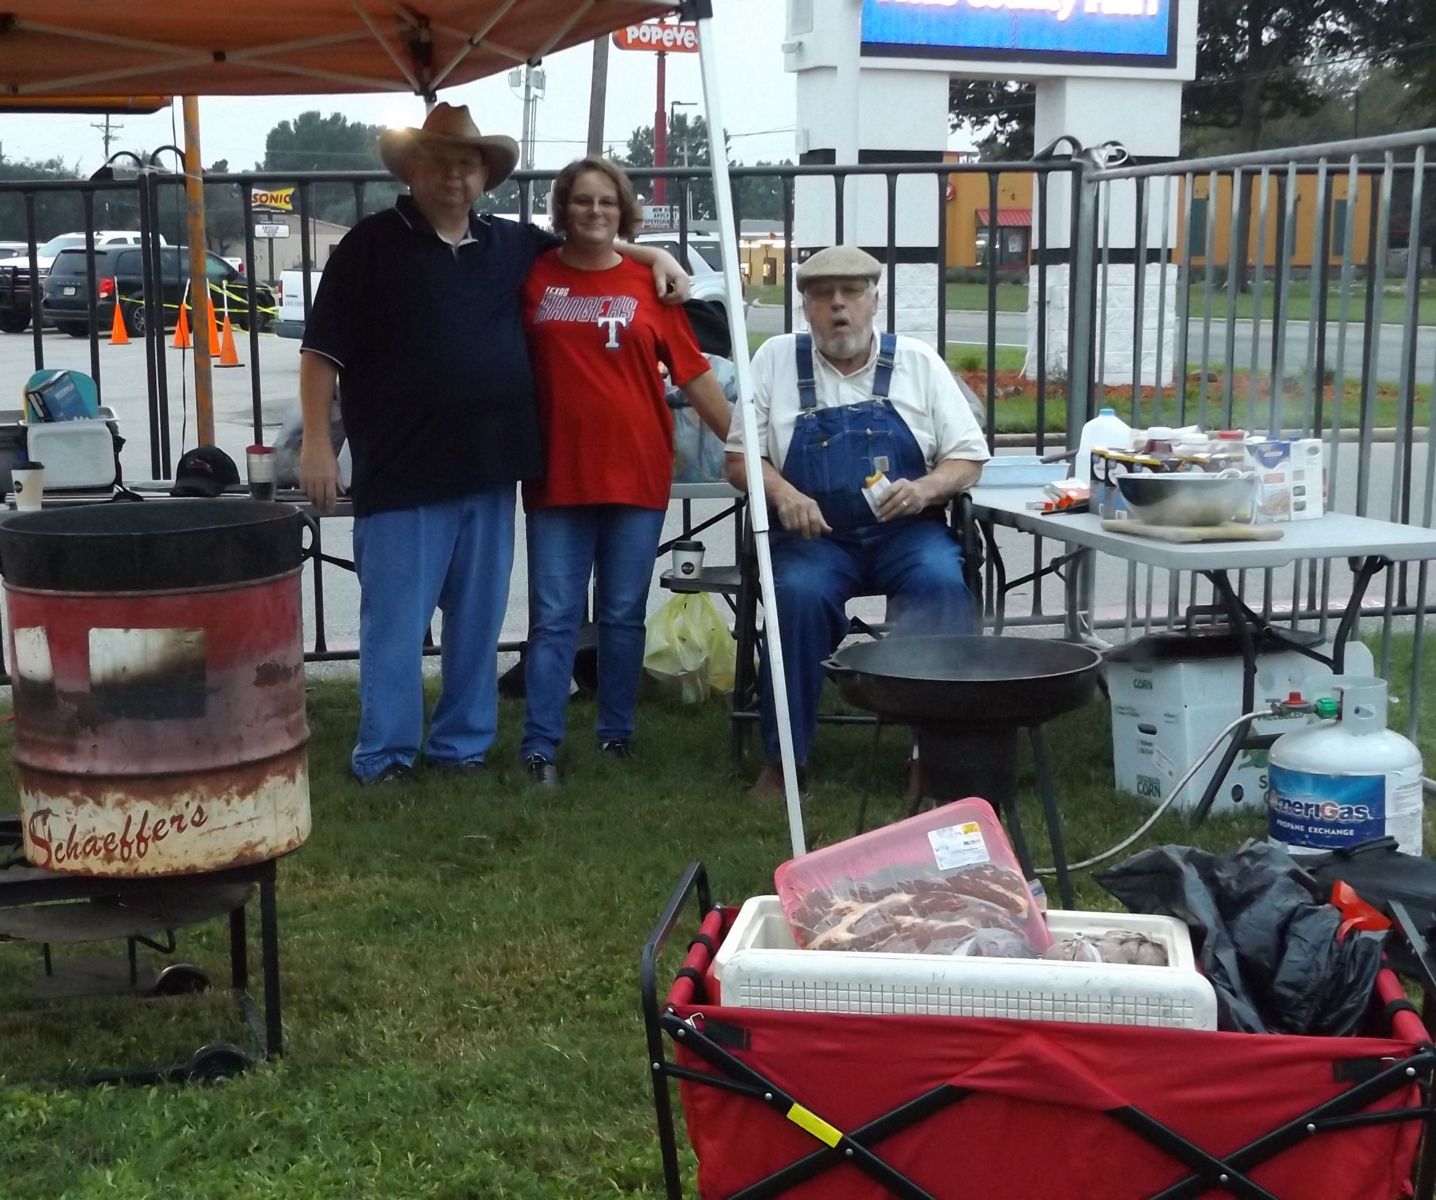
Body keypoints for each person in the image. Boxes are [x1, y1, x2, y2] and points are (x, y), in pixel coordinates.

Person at [298, 104, 689, 786]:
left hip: (490, 467)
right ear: (414, 169)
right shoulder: (369, 245)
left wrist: (653, 252)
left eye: (467, 163)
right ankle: (385, 757)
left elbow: (591, 243)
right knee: (395, 625)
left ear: (484, 177)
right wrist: (316, 446)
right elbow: (319, 353)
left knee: (476, 626)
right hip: (401, 470)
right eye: (440, 161)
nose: (454, 175)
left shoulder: (511, 246)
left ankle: (463, 748)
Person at [724, 245, 990, 799]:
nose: (838, 307)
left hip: (905, 533)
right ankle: (785, 762)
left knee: (942, 583)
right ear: (805, 307)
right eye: (823, 296)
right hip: (814, 537)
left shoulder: (917, 362)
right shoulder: (774, 359)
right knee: (796, 594)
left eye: (852, 294)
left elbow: (967, 457)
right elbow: (739, 459)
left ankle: (932, 753)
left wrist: (925, 489)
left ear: (875, 301)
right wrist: (785, 493)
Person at [519, 158, 731, 787]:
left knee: (622, 612)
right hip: (556, 472)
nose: (594, 212)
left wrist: (745, 446)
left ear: (624, 210)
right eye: (582, 201)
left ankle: (616, 735)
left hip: (636, 471)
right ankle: (540, 745)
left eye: (607, 202)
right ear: (563, 209)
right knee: (553, 615)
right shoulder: (532, 276)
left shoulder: (651, 287)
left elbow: (693, 375)